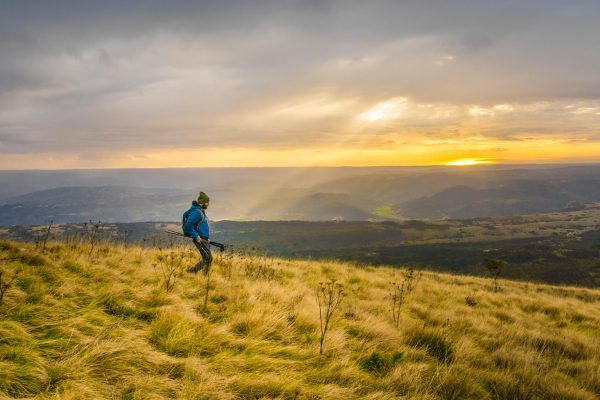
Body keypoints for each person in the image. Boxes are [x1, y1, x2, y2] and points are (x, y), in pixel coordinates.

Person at [183, 192, 212, 275]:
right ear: (202, 202)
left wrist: (207, 237)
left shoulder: (200, 211)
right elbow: (188, 224)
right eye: (207, 202)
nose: (208, 204)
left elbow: (202, 225)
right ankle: (191, 272)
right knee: (208, 258)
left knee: (208, 258)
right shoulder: (197, 212)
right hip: (200, 239)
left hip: (204, 239)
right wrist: (196, 236)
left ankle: (204, 277)